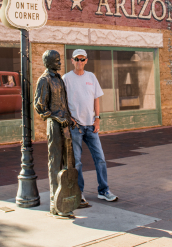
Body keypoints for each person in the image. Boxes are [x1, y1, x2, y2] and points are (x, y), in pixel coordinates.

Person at [63, 49, 117, 208]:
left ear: (86, 60)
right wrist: (69, 118)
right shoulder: (66, 78)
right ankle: (79, 193)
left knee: (100, 159)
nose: (79, 62)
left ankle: (103, 190)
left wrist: (98, 119)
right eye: (76, 59)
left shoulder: (91, 77)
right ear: (72, 60)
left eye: (82, 59)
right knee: (77, 162)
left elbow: (96, 99)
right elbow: (62, 101)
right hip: (76, 127)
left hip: (91, 126)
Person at [34, 50, 78, 217]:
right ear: (49, 62)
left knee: (68, 162)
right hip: (54, 126)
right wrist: (57, 118)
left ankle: (67, 199)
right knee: (55, 163)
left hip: (66, 126)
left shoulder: (59, 79)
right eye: (57, 61)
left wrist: (69, 118)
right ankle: (55, 203)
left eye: (60, 60)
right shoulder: (44, 80)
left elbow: (63, 103)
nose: (60, 63)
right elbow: (40, 107)